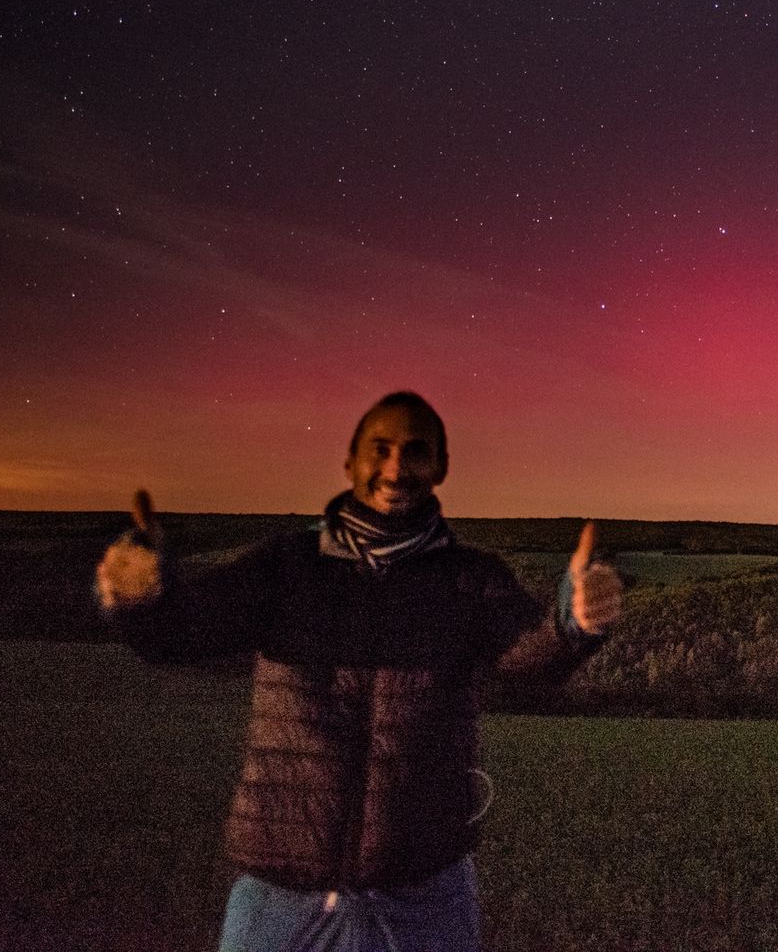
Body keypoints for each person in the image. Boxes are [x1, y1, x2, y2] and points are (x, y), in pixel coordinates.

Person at [95, 391, 622, 952]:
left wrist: (574, 624)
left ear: (441, 468)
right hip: (281, 897)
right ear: (349, 462)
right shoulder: (287, 567)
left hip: (423, 896)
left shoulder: (472, 579)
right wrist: (143, 601)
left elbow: (526, 661)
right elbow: (185, 632)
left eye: (417, 451)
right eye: (381, 448)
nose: (397, 467)